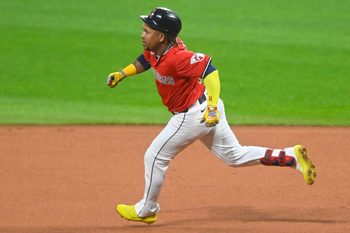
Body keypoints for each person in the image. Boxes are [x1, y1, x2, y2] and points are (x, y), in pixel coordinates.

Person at [107, 7, 316, 224]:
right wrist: (123, 73)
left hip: (193, 115)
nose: (142, 34)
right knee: (234, 156)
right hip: (202, 108)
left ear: (161, 36)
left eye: (147, 31)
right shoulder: (157, 48)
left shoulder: (177, 57)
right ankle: (291, 157)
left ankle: (147, 209)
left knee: (155, 156)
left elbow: (210, 70)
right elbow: (146, 59)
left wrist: (213, 107)